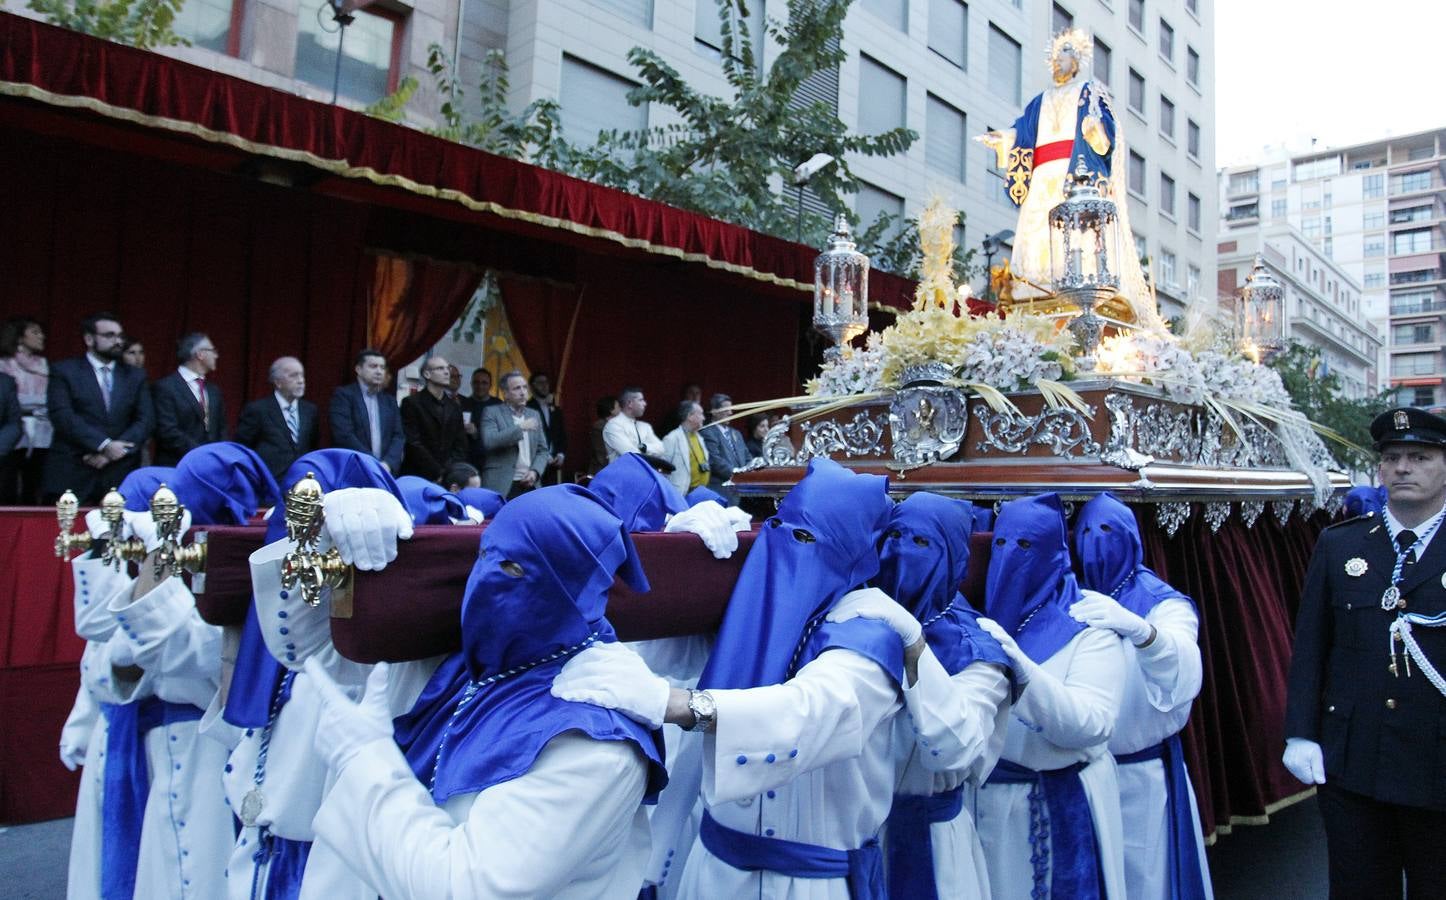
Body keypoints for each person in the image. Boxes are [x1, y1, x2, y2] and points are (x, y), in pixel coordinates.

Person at [553, 457, 909, 898]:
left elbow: (807, 712)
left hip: (806, 884)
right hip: (712, 873)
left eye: (804, 537)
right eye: (780, 528)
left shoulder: (870, 637)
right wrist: (673, 551)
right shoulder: (758, 610)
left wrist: (680, 705)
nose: (785, 549)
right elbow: (659, 654)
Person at [296, 485, 668, 898]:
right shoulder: (471, 665)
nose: (488, 576)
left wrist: (363, 759)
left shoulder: (595, 741)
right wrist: (318, 534)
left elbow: (467, 887)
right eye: (483, 554)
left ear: (572, 593)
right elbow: (307, 645)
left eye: (512, 568)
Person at [81, 444, 279, 900]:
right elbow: (102, 645)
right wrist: (105, 555)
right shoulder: (171, 579)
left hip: (204, 750)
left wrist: (159, 554)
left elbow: (177, 652)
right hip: (146, 745)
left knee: (197, 871)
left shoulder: (234, 588)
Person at [1284, 407, 1446, 897]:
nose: (1402, 468)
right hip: (1355, 763)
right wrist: (1300, 734)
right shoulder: (1341, 545)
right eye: (1392, 457)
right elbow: (1312, 647)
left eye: (1419, 456)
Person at [974, 492, 1128, 900]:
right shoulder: (977, 621)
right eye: (1003, 545)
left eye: (1026, 547)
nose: (1011, 557)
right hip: (987, 810)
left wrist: (1027, 677)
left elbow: (1093, 724)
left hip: (1060, 805)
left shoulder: (1089, 629)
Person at [870, 493, 1013, 900]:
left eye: (920, 544)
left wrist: (914, 645)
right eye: (894, 535)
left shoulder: (978, 651)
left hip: (932, 842)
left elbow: (953, 746)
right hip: (856, 834)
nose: (899, 552)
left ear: (951, 557)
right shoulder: (860, 616)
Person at [1073, 492, 1211, 900]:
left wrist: (1143, 632)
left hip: (1142, 774)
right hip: (1085, 774)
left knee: (1145, 878)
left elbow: (1184, 666)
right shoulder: (1070, 594)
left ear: (1132, 538)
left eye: (1107, 532)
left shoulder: (1163, 604)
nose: (1096, 541)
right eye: (1086, 532)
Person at [976, 28, 1152, 318]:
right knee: (1036, 232)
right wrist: (1002, 139)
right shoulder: (1038, 102)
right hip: (1042, 175)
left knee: (1076, 232)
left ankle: (1084, 288)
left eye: (1064, 56)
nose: (1058, 62)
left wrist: (1096, 131)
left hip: (1073, 174)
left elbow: (1104, 129)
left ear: (1077, 61)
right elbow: (1022, 132)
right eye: (1055, 57)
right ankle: (1030, 288)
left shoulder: (1088, 92)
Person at [43, 311, 154, 504]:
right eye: (109, 335)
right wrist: (103, 445)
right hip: (74, 468)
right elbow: (62, 416)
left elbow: (146, 420)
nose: (118, 341)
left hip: (120, 473)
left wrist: (113, 452)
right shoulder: (64, 371)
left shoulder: (135, 376)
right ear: (89, 339)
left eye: (120, 336)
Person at [235, 356, 319, 482]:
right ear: (278, 382)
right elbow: (242, 448)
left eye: (302, 375)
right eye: (293, 376)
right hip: (268, 486)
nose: (301, 381)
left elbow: (313, 446)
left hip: (301, 485)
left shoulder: (310, 410)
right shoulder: (258, 410)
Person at [151, 332, 226, 466]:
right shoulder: (165, 387)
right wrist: (202, 454)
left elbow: (221, 429)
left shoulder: (214, 391)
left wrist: (218, 456)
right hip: (176, 466)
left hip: (211, 468)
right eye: (213, 350)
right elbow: (167, 431)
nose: (216, 355)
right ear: (200, 354)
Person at [0, 316, 50, 504]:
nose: (41, 337)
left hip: (44, 431)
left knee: (36, 481)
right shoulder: (4, 365)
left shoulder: (45, 365)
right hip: (13, 433)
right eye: (35, 332)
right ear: (20, 337)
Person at [330, 348, 405, 473]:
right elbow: (344, 434)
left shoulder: (389, 401)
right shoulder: (343, 396)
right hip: (353, 468)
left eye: (382, 367)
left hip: (385, 471)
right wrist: (372, 462)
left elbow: (398, 436)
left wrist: (388, 463)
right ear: (358, 369)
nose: (379, 371)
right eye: (373, 366)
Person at [479, 370, 550, 498]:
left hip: (530, 483)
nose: (523, 392)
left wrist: (535, 471)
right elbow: (489, 441)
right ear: (505, 394)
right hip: (501, 483)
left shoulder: (534, 414)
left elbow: (543, 450)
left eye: (524, 388)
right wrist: (520, 428)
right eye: (517, 388)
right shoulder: (491, 412)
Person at [400, 356, 468, 482]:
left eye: (447, 368)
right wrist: (437, 471)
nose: (447, 372)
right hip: (417, 473)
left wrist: (448, 471)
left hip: (447, 476)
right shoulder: (411, 403)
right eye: (440, 368)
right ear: (427, 374)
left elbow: (460, 444)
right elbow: (413, 442)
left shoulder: (454, 406)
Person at [700, 393, 751, 503]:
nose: (730, 413)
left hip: (739, 491)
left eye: (731, 409)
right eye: (726, 409)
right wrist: (738, 474)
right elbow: (715, 461)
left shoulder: (736, 434)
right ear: (714, 411)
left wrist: (750, 473)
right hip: (720, 490)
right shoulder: (707, 432)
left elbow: (747, 457)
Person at [661, 401, 710, 497]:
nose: (703, 418)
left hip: (701, 494)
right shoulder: (672, 438)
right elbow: (663, 471)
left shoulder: (699, 437)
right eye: (700, 414)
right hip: (682, 494)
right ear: (690, 416)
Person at [603, 387, 664, 462]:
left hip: (644, 472)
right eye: (640, 400)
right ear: (630, 403)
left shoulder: (645, 426)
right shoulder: (613, 426)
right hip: (624, 473)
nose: (645, 404)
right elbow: (631, 454)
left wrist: (644, 447)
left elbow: (661, 449)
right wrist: (649, 449)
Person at [528, 371, 567, 482]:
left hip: (554, 465)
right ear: (532, 386)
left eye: (546, 382)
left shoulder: (555, 410)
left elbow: (562, 435)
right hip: (534, 464)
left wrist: (560, 454)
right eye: (540, 383)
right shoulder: (527, 408)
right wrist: (545, 456)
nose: (544, 386)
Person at [590, 395, 618, 474]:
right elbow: (602, 455)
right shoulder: (599, 427)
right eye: (618, 406)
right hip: (603, 471)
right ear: (611, 410)